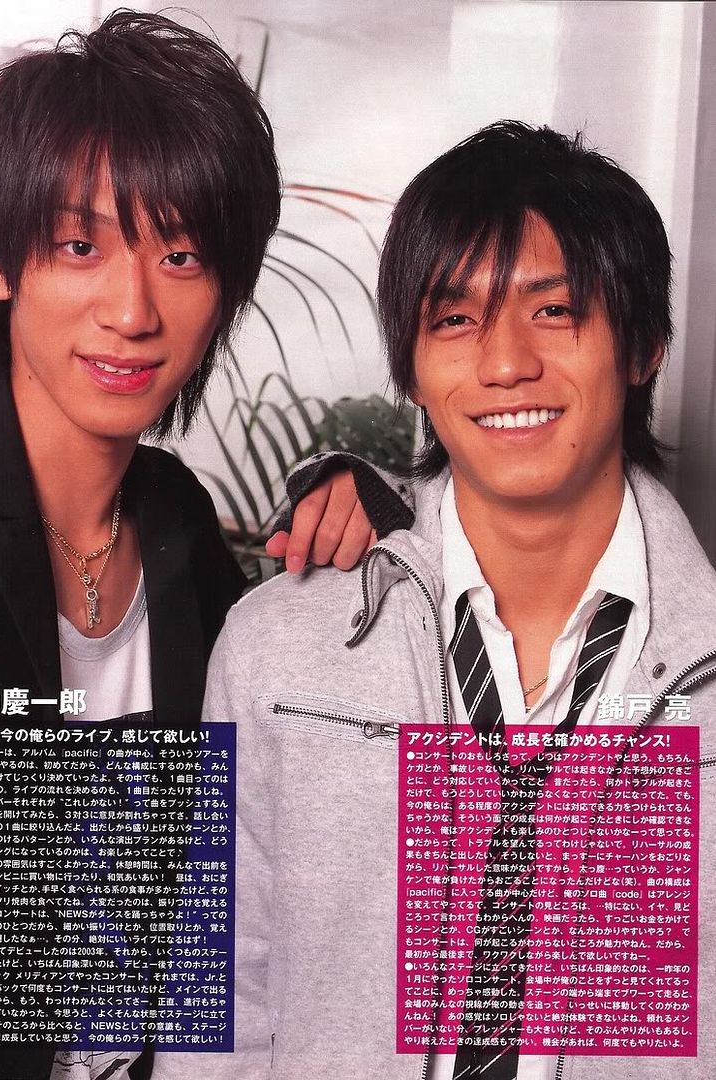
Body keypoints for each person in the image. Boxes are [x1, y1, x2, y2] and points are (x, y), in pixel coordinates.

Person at [191, 121, 716, 1080]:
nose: (504, 362)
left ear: (642, 346)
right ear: (411, 366)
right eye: (454, 319)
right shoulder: (279, 648)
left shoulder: (703, 670)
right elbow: (223, 996)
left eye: (554, 311)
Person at [0, 11, 385, 1079]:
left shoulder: (181, 525)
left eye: (179, 255)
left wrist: (379, 506)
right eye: (80, 246)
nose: (132, 310)